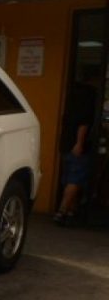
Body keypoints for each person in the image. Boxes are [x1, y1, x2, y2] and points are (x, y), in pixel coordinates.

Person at [55, 68, 100, 226]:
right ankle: (61, 212)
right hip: (76, 145)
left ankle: (70, 210)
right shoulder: (90, 97)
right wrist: (80, 143)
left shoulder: (70, 95)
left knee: (68, 178)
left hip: (65, 143)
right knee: (75, 179)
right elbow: (84, 124)